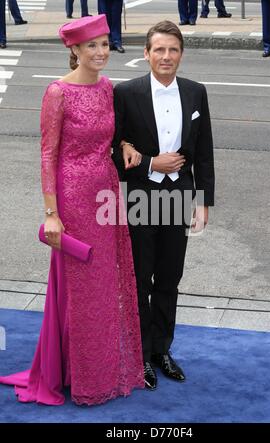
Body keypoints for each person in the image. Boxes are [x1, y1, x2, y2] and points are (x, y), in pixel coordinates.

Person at [0, 15, 144, 406]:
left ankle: (101, 365)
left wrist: (127, 145)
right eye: (92, 45)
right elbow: (47, 155)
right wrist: (51, 213)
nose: (100, 52)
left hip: (107, 192)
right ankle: (82, 375)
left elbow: (111, 136)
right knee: (81, 287)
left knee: (105, 284)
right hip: (73, 197)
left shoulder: (106, 88)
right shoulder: (57, 93)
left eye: (104, 44)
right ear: (74, 50)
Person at [112, 21, 215, 390]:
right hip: (141, 194)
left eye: (173, 50)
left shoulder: (195, 92)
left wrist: (202, 201)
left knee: (170, 277)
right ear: (146, 54)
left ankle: (161, 349)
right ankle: (139, 356)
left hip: (179, 195)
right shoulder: (125, 93)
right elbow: (111, 149)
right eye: (159, 50)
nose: (166, 56)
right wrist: (151, 162)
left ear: (181, 54)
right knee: (140, 278)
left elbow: (203, 151)